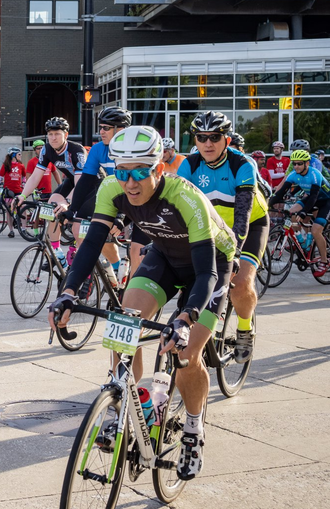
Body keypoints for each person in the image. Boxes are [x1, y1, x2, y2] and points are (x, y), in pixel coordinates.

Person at [49, 126, 236, 481]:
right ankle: (129, 405)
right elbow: (91, 245)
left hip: (210, 266)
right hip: (164, 256)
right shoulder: (111, 188)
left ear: (159, 169)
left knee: (186, 354)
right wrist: (69, 292)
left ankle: (194, 431)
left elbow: (207, 273)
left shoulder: (186, 197)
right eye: (123, 172)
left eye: (141, 172)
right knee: (123, 323)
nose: (131, 182)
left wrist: (186, 317)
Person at [175, 112, 269, 364]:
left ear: (226, 139)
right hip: (212, 228)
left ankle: (245, 328)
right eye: (201, 137)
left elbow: (243, 213)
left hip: (249, 225)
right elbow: (178, 208)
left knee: (239, 282)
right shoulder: (190, 165)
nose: (208, 143)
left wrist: (235, 252)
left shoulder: (242, 164)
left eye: (215, 137)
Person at [56, 106, 133, 280]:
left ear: (120, 130)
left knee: (137, 250)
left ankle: (129, 285)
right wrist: (72, 209)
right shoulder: (99, 149)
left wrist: (121, 217)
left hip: (135, 199)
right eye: (100, 127)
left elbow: (133, 188)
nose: (101, 132)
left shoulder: (131, 151)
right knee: (93, 234)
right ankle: (114, 276)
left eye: (106, 128)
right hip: (112, 198)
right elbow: (85, 181)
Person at [12, 117, 86, 262]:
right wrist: (22, 196)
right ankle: (57, 253)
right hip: (71, 181)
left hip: (90, 185)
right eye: (50, 134)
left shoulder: (77, 151)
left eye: (57, 134)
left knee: (78, 230)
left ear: (66, 135)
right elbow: (35, 177)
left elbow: (81, 183)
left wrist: (68, 202)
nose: (53, 138)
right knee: (51, 205)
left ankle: (85, 262)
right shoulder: (46, 149)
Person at [269, 149, 330, 277]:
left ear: (306, 164)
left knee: (315, 230)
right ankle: (302, 244)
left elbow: (313, 197)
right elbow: (280, 193)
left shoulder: (314, 174)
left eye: (299, 164)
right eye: (294, 163)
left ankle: (324, 261)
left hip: (325, 201)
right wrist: (268, 204)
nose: (296, 166)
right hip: (311, 199)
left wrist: (303, 212)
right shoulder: (293, 174)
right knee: (290, 212)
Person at [0, 148, 25, 237]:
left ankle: (23, 229)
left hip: (18, 191)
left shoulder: (21, 166)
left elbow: (24, 177)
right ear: (14, 155)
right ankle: (11, 230)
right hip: (9, 191)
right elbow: (0, 176)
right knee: (9, 210)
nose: (20, 156)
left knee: (23, 208)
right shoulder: (6, 165)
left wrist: (24, 184)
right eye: (19, 154)